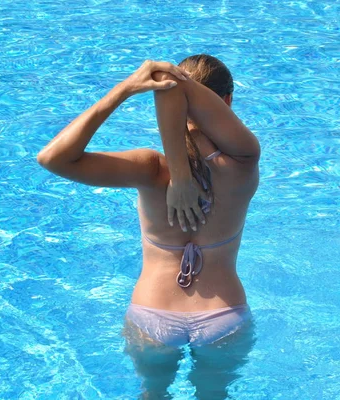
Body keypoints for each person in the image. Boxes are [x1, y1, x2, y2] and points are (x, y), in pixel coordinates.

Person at [37, 55, 260, 399]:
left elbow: (52, 158)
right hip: (223, 316)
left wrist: (125, 89)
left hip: (152, 317)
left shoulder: (149, 168)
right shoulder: (243, 162)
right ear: (227, 101)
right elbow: (177, 89)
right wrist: (183, 174)